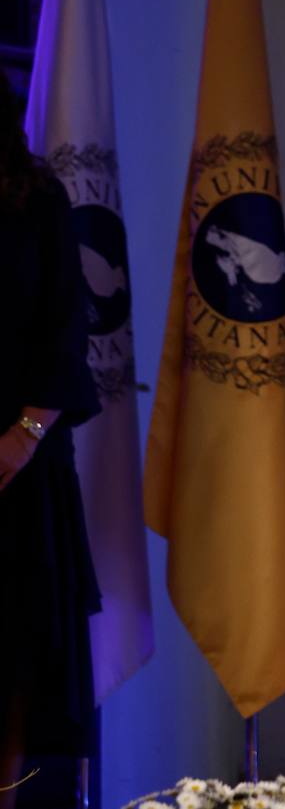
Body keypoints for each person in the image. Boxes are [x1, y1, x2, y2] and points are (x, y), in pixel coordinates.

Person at [0, 75, 101, 806]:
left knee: (13, 660)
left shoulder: (37, 202)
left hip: (16, 471)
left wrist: (22, 436)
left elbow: (68, 330)